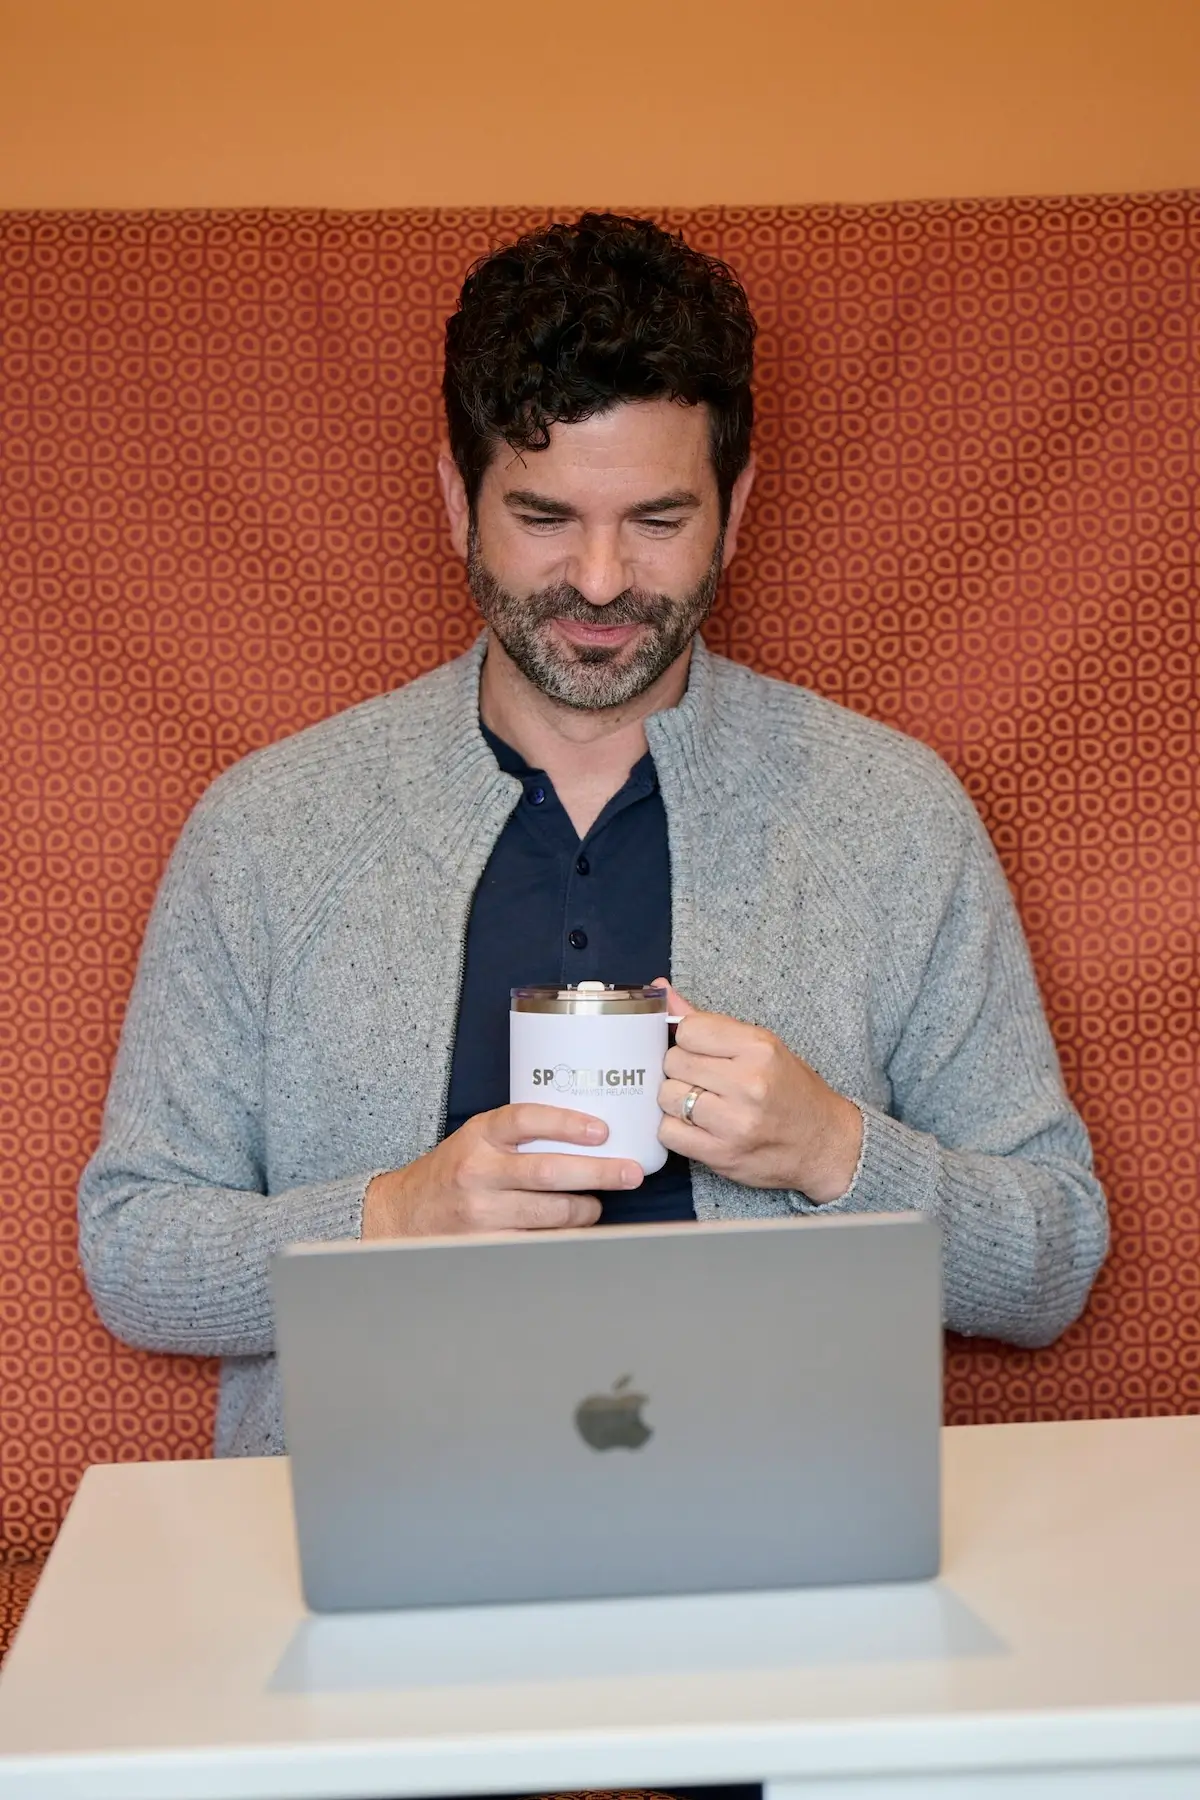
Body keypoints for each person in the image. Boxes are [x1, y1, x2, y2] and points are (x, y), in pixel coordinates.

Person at [79, 213, 1108, 1459]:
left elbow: (1052, 1257)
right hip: (383, 1527)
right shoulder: (271, 829)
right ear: (458, 497)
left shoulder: (889, 815)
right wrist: (393, 1214)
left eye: (660, 520)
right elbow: (133, 1248)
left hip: (773, 1531)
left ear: (738, 508)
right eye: (548, 517)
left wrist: (836, 1149)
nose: (606, 582)